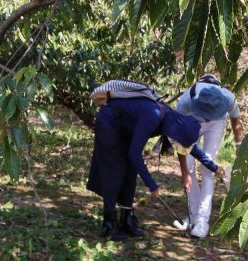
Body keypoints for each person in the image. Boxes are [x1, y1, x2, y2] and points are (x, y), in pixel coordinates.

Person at [86, 80, 222, 242]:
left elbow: (192, 148)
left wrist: (214, 167)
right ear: (177, 135)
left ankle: (126, 218)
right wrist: (152, 185)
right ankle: (109, 224)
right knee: (114, 171)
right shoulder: (154, 115)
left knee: (130, 172)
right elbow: (135, 154)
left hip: (126, 128)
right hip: (109, 123)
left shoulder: (175, 121)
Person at [175, 74, 243, 238]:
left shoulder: (228, 98)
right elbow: (179, 137)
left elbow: (236, 122)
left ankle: (202, 221)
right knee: (188, 166)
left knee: (207, 169)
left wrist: (240, 147)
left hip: (216, 125)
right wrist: (184, 171)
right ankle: (193, 215)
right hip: (192, 121)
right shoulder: (186, 101)